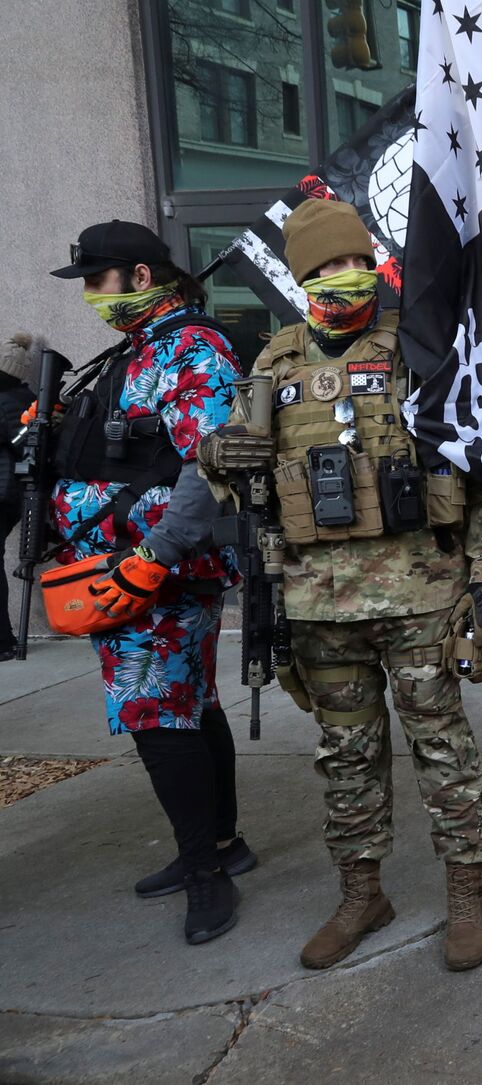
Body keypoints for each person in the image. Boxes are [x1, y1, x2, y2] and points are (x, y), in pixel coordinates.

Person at [197, 198, 482, 972]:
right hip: (318, 605)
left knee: (441, 746)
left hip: (421, 595)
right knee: (346, 755)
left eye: (356, 261)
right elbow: (231, 463)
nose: (347, 275)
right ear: (302, 277)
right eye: (328, 266)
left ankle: (467, 890)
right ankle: (361, 892)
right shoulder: (273, 363)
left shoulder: (420, 346)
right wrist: (219, 455)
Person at [44, 220, 250, 944]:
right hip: (128, 569)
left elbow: (209, 463)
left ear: (139, 276)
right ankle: (222, 844)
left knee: (155, 717)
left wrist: (153, 558)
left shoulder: (191, 348)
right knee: (191, 707)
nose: (91, 296)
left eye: (97, 280)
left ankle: (205, 873)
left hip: (153, 575)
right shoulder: (139, 349)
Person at [0, 333, 38, 657]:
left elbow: (24, 445)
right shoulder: (20, 397)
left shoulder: (9, 399)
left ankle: (3, 641)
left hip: (4, 493)